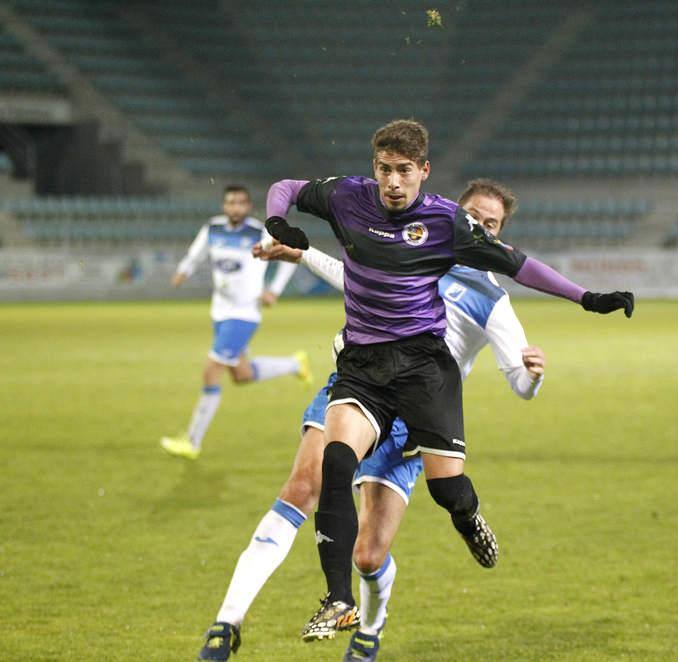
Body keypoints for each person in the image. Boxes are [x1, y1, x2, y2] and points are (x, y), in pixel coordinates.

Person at [263, 119, 634, 644]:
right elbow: (286, 188)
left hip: (424, 369)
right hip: (364, 365)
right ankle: (338, 599)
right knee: (336, 458)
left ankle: (468, 516)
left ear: (424, 171)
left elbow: (521, 267)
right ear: (375, 168)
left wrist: (587, 298)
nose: (393, 182)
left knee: (448, 489)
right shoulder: (348, 197)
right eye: (385, 170)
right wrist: (278, 222)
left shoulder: (448, 225)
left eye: (404, 171)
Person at [196, 178, 547, 661]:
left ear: (499, 237)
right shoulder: (414, 245)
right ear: (453, 214)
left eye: (490, 226)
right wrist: (300, 255)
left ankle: (369, 628)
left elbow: (519, 383)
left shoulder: (492, 299)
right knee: (302, 485)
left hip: (414, 420)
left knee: (368, 555)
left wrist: (531, 375)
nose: (478, 230)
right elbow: (352, 275)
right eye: (473, 219)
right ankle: (226, 623)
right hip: (358, 380)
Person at [160, 185, 311, 460]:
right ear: (224, 206)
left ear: (248, 206)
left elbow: (293, 253)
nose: (235, 207)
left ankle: (192, 441)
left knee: (211, 371)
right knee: (241, 374)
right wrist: (183, 271)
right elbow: (196, 254)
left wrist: (274, 289)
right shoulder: (213, 229)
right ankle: (294, 364)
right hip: (220, 311)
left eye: (241, 203)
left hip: (244, 314)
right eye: (230, 202)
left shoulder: (260, 232)